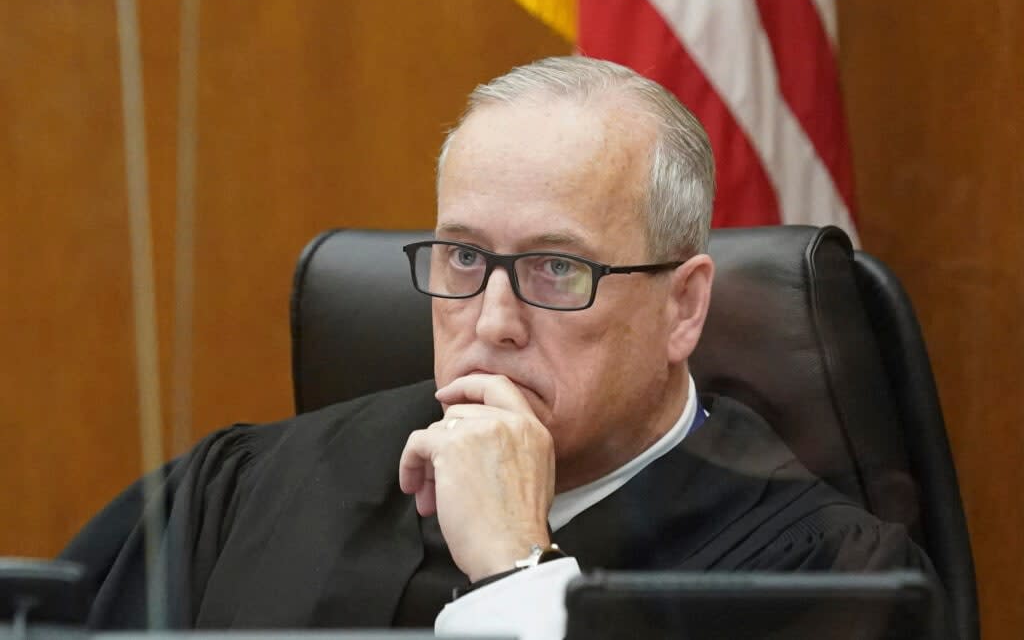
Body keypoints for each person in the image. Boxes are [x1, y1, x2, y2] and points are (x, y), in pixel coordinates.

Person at [63, 57, 938, 638]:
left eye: (555, 268)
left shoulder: (821, 582)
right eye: (465, 256)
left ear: (684, 305)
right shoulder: (256, 487)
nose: (491, 321)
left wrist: (520, 574)